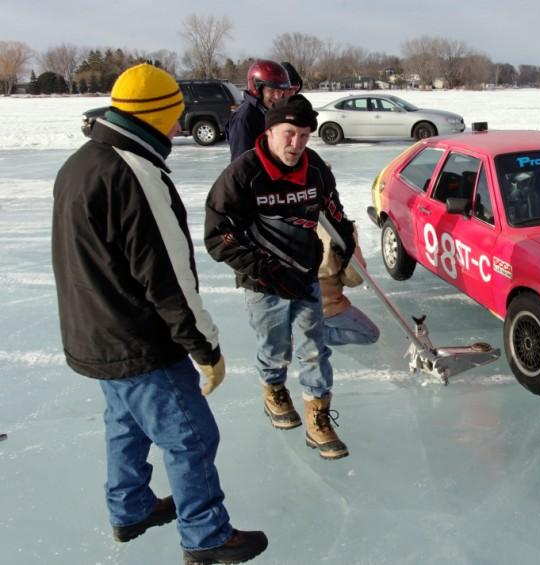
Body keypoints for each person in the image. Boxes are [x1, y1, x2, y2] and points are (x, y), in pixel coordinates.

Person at [51, 63, 267, 564]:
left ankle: (130, 507)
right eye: (175, 114)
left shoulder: (83, 162)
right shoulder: (136, 172)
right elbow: (168, 274)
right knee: (191, 436)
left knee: (124, 423)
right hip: (138, 337)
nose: (179, 124)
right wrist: (205, 346)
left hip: (94, 332)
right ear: (155, 114)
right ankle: (206, 535)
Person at [205, 95, 357, 460]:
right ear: (270, 131)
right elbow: (219, 236)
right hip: (263, 284)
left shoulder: (314, 167)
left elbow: (331, 206)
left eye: (304, 136)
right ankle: (273, 388)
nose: (296, 144)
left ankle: (318, 421)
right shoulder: (244, 174)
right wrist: (265, 270)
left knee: (313, 348)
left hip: (305, 275)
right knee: (275, 349)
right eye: (289, 134)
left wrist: (344, 240)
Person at [316, 225, 380, 346]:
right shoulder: (338, 227)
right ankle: (312, 335)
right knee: (371, 334)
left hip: (294, 302)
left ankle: (305, 332)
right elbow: (354, 278)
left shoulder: (284, 218)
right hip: (326, 304)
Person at [226, 60, 302, 161]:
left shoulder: (269, 112)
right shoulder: (244, 119)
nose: (277, 96)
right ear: (257, 88)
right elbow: (241, 165)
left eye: (280, 91)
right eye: (271, 90)